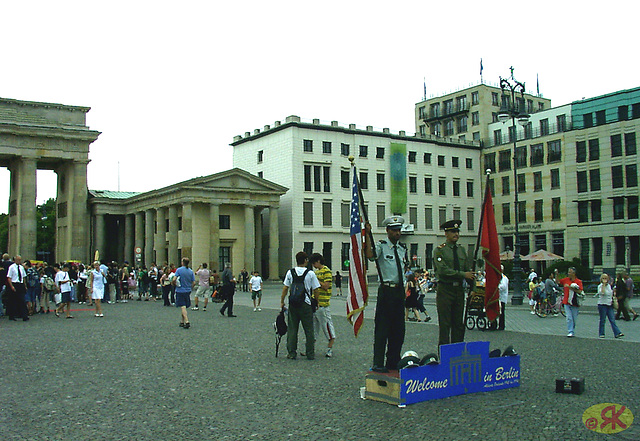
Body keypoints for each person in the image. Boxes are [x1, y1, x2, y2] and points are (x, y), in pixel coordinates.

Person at [363, 215, 408, 373]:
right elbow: (370, 255)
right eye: (394, 230)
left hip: (399, 291)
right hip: (386, 290)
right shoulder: (381, 246)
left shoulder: (402, 249)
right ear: (387, 231)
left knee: (399, 330)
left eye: (399, 230)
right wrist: (368, 234)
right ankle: (378, 362)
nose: (397, 233)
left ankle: (393, 360)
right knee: (382, 329)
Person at [433, 219, 475, 347]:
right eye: (452, 231)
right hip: (445, 290)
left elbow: (468, 270)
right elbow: (442, 270)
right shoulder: (440, 250)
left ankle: (457, 353)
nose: (456, 234)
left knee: (458, 324)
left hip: (459, 291)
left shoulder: (461, 250)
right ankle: (445, 356)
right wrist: (463, 275)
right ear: (446, 234)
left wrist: (473, 288)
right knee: (445, 325)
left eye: (457, 231)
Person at [280, 251, 321, 360]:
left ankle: (292, 352)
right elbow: (316, 289)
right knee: (309, 329)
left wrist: (282, 301)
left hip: (293, 303)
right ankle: (310, 353)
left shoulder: (290, 272)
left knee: (292, 329)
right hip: (306, 304)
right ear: (306, 260)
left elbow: (285, 288)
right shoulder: (310, 273)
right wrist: (316, 301)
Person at [310, 253, 336, 358]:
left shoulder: (327, 271)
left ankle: (329, 348)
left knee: (327, 327)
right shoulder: (315, 273)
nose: (313, 265)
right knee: (313, 328)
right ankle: (310, 348)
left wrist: (316, 282)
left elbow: (326, 286)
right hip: (314, 303)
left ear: (318, 261)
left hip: (323, 304)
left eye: (314, 263)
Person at [597, 273, 623, 339]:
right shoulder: (600, 286)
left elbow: (610, 293)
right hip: (602, 304)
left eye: (606, 278)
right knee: (602, 320)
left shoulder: (609, 286)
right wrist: (603, 285)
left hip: (609, 304)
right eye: (603, 278)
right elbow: (602, 293)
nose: (605, 280)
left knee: (612, 319)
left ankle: (617, 333)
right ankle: (601, 333)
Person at [559, 267, 584, 337]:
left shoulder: (578, 281)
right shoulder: (565, 280)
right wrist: (556, 274)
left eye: (570, 272)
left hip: (575, 302)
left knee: (574, 318)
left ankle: (572, 329)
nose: (568, 273)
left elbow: (580, 291)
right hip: (566, 302)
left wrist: (570, 287)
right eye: (568, 272)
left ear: (574, 273)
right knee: (569, 317)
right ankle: (570, 331)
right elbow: (558, 282)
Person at [173, 257, 195, 329]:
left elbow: (174, 279)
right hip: (187, 290)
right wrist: (190, 287)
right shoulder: (190, 271)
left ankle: (187, 321)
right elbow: (193, 282)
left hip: (180, 290)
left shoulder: (179, 270)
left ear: (182, 262)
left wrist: (174, 283)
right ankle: (182, 321)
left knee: (182, 306)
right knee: (184, 306)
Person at [6, 255, 29, 321]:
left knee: (22, 300)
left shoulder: (21, 267)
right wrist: (12, 286)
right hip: (14, 283)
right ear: (15, 260)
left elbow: (24, 277)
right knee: (13, 301)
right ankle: (12, 315)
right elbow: (9, 278)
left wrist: (25, 286)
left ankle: (24, 315)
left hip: (20, 284)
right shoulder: (11, 267)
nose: (19, 261)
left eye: (20, 260)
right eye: (18, 260)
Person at [497, 265, 509, 330]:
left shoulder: (504, 278)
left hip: (502, 297)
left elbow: (503, 286)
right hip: (498, 297)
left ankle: (501, 325)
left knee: (501, 312)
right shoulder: (499, 276)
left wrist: (497, 287)